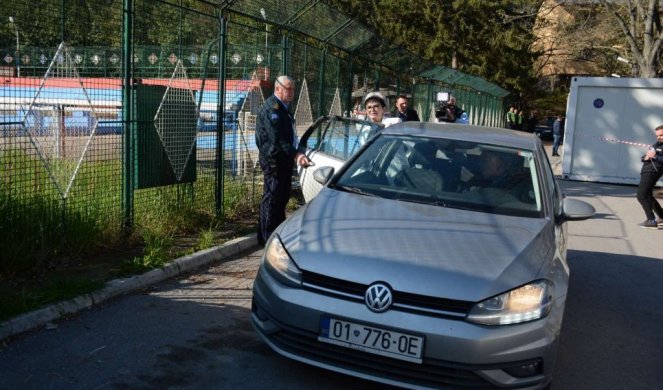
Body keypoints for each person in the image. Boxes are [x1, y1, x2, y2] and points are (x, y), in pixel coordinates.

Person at [255, 75, 312, 245]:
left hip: (283, 161)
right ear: (278, 88)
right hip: (274, 161)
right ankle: (266, 239)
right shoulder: (272, 109)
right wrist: (297, 155)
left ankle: (276, 236)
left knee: (281, 198)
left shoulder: (283, 107)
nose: (292, 92)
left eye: (293, 88)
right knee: (272, 200)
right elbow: (277, 139)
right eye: (289, 88)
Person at [636, 125, 663, 229]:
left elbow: (658, 158)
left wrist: (655, 156)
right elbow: (644, 157)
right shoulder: (656, 144)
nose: (659, 137)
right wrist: (646, 157)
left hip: (653, 172)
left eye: (661, 135)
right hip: (647, 171)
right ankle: (662, 216)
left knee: (641, 195)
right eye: (657, 135)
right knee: (648, 195)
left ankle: (651, 220)